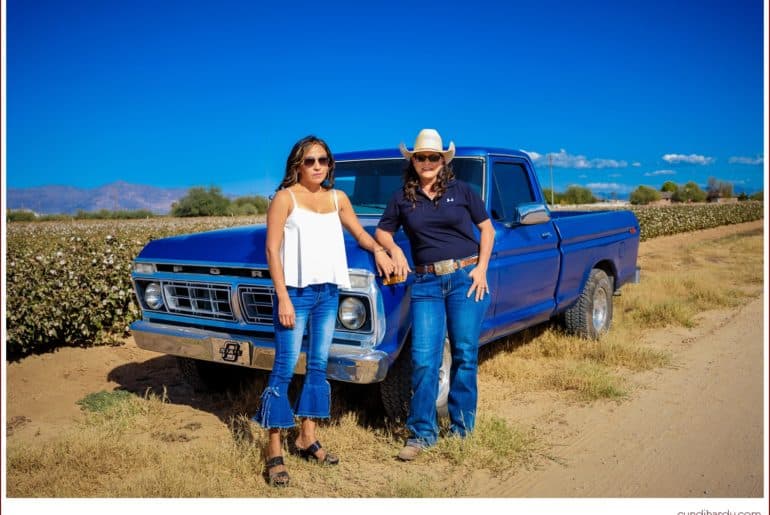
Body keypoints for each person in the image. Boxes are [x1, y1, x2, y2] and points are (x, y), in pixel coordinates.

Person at [254, 135, 395, 487]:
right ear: (296, 165)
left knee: (318, 365)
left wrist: (379, 250)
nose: (317, 166)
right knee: (284, 368)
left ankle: (306, 437)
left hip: (328, 294)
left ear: (330, 165)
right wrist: (283, 297)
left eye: (322, 160)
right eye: (309, 161)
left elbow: (360, 233)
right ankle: (274, 450)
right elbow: (273, 252)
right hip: (296, 295)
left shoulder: (337, 198)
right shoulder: (284, 199)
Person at [375, 128, 494, 461]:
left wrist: (481, 268)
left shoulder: (463, 192)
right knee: (424, 359)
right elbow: (383, 231)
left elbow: (487, 229)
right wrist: (392, 251)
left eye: (433, 157)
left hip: (464, 278)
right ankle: (422, 434)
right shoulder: (401, 198)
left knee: (465, 354)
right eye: (421, 157)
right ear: (412, 161)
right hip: (426, 284)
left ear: (443, 161)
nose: (427, 162)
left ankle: (461, 429)